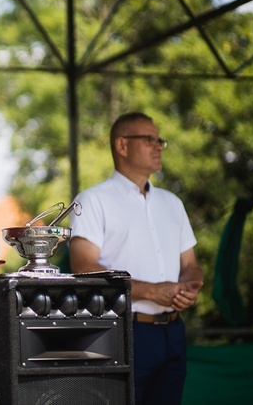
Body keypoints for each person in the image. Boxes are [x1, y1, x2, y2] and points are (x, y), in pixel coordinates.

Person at [68, 112, 203, 405]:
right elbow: (84, 267)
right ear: (122, 145)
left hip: (173, 330)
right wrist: (153, 290)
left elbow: (190, 264)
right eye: (149, 139)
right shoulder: (93, 200)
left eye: (159, 140)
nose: (159, 146)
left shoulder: (172, 203)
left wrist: (191, 287)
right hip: (123, 331)